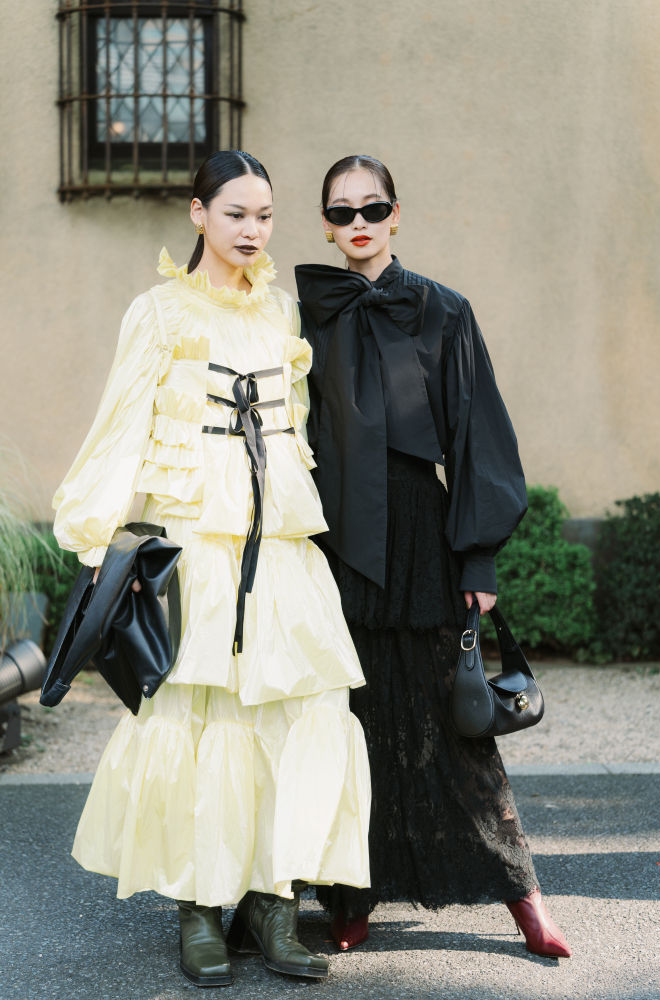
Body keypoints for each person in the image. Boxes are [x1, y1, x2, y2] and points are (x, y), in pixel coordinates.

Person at [52, 150, 371, 987]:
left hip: (281, 538)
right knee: (200, 715)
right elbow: (119, 421)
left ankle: (272, 903)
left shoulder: (283, 315)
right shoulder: (157, 311)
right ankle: (199, 909)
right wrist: (98, 540)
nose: (252, 231)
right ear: (198, 214)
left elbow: (301, 427)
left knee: (299, 708)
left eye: (264, 216)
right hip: (196, 534)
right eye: (235, 214)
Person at [294, 154, 571, 960]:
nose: (357, 225)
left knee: (456, 729)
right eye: (341, 212)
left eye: (371, 208)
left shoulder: (443, 310)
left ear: (396, 214)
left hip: (420, 532)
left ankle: (525, 896)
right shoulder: (304, 319)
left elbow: (478, 432)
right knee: (347, 726)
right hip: (333, 540)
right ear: (323, 223)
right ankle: (351, 900)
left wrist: (477, 561)